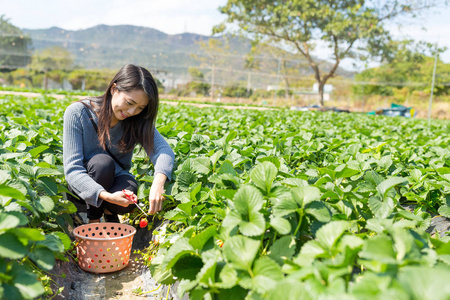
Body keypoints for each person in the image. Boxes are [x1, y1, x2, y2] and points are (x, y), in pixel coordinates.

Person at [63, 64, 175, 224]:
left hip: (113, 179)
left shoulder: (137, 120)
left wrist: (158, 183)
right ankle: (92, 220)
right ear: (114, 89)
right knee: (103, 164)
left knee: (129, 190)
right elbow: (72, 170)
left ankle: (108, 211)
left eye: (140, 108)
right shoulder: (77, 113)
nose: (132, 112)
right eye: (130, 103)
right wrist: (106, 196)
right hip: (83, 186)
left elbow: (164, 150)